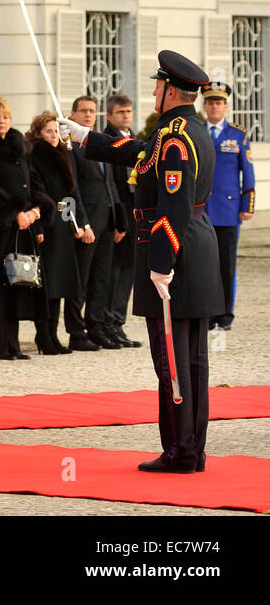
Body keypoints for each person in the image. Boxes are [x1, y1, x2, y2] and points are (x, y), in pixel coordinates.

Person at [60, 51, 223, 473]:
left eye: (157, 85)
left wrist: (161, 263)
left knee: (173, 359)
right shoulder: (184, 129)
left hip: (176, 252)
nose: (152, 90)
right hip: (194, 249)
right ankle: (191, 448)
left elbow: (174, 205)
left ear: (172, 90)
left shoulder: (175, 137)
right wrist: (83, 135)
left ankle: (180, 452)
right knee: (191, 359)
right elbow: (137, 154)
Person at [0, 97, 54, 360]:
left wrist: (35, 212)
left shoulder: (20, 147)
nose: (1, 121)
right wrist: (14, 213)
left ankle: (13, 345)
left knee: (17, 284)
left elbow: (32, 183)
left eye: (5, 117)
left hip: (22, 226)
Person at [67, 96, 128, 351]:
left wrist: (119, 220)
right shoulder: (71, 147)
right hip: (87, 222)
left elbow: (111, 184)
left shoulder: (100, 144)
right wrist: (81, 223)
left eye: (92, 111)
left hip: (106, 220)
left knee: (102, 278)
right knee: (80, 280)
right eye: (83, 111)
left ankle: (96, 325)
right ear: (73, 114)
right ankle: (75, 331)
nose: (88, 115)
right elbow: (73, 188)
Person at [26, 111, 82, 355]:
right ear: (39, 133)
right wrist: (39, 225)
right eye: (48, 131)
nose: (54, 135)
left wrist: (75, 223)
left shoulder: (62, 153)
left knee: (60, 282)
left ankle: (54, 333)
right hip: (47, 223)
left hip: (62, 221)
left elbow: (68, 192)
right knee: (47, 283)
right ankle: (44, 335)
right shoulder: (36, 155)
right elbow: (36, 191)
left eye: (56, 131)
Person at [201, 81, 255, 331]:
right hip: (200, 210)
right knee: (202, 262)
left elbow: (248, 173)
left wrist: (248, 206)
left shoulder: (238, 135)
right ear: (205, 105)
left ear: (225, 106)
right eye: (210, 102)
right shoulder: (197, 131)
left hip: (228, 210)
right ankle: (206, 312)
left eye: (218, 102)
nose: (214, 106)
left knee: (226, 264)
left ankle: (225, 314)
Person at [102, 94, 143, 348]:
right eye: (120, 112)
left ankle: (118, 322)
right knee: (113, 271)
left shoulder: (135, 139)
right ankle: (106, 322)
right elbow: (111, 184)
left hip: (135, 213)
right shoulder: (107, 141)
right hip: (119, 214)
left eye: (128, 111)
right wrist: (120, 219)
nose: (126, 115)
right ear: (109, 116)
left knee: (128, 271)